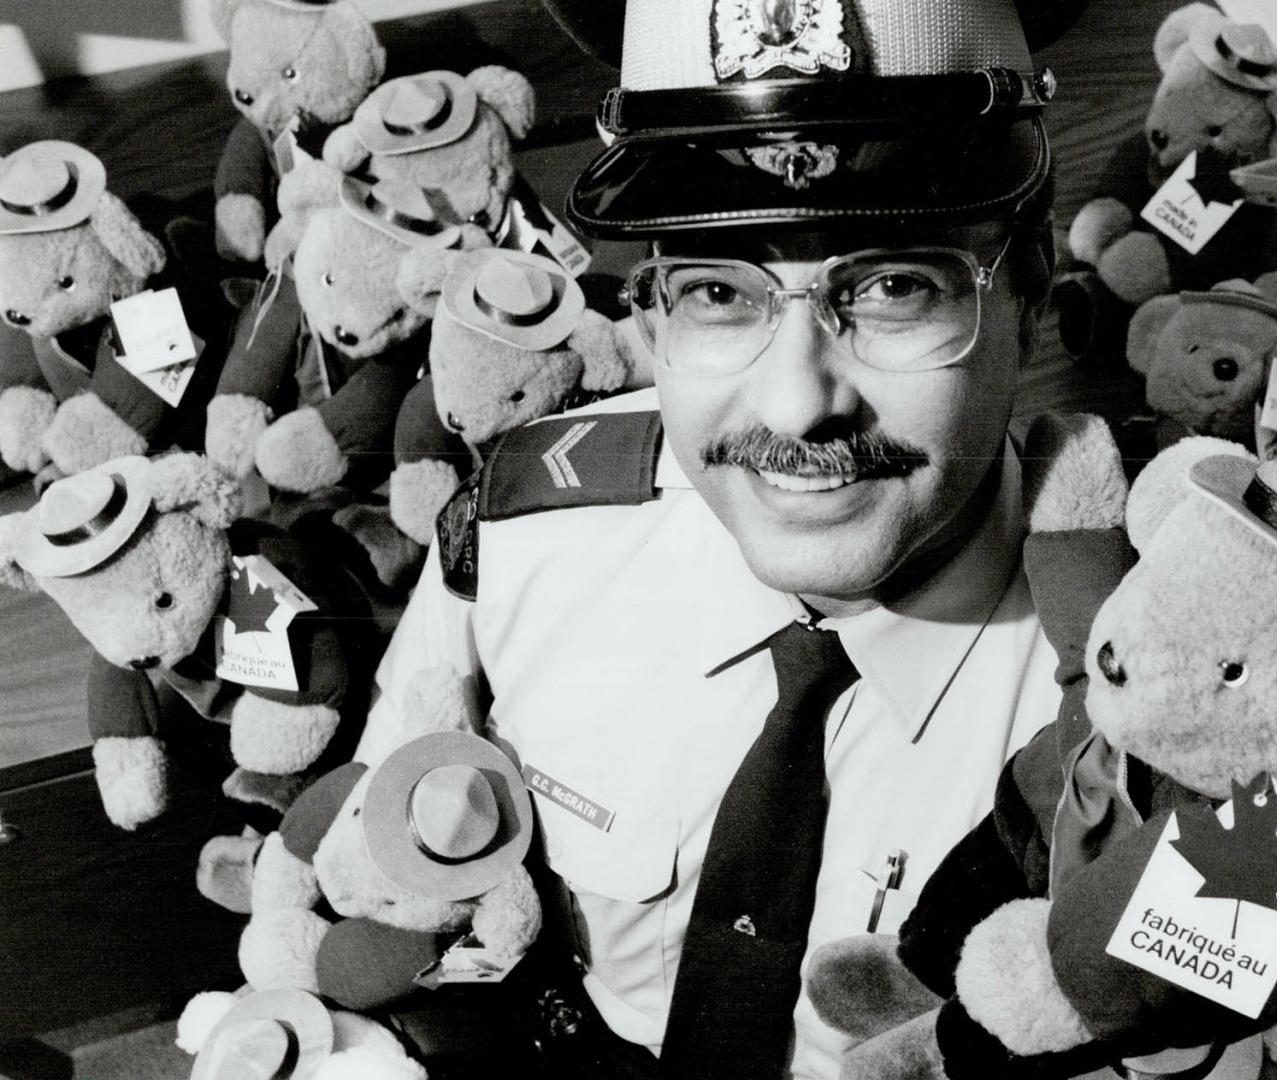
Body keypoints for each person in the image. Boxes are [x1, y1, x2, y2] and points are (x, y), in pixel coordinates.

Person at [354, 0, 1090, 1076]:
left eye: (892, 287)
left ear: (1030, 292)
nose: (797, 406)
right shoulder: (534, 526)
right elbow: (395, 843)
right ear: (647, 322)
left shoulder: (1165, 681)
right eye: (715, 290)